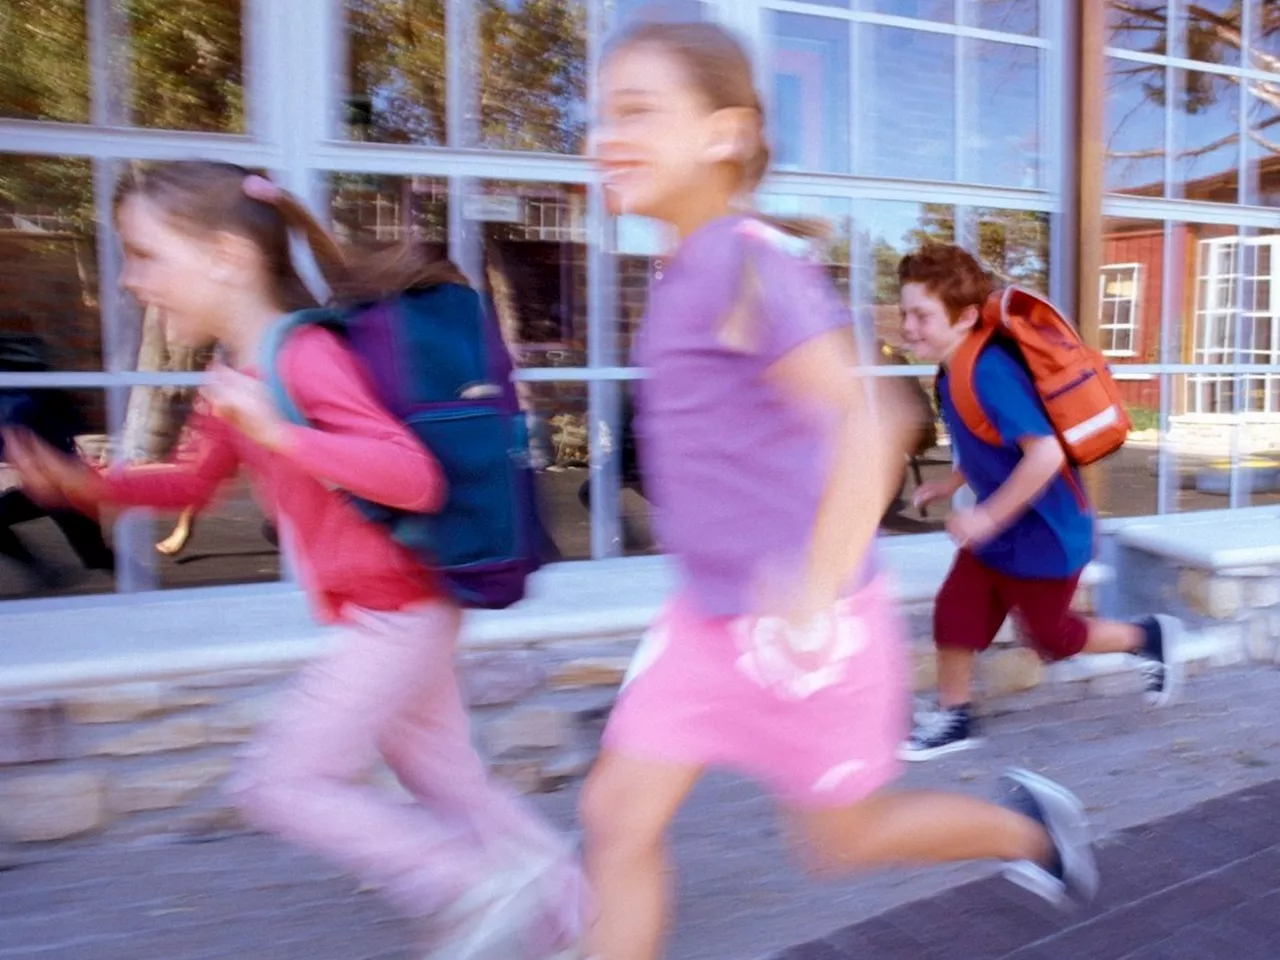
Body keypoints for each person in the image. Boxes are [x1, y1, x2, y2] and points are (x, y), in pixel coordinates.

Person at [580, 21, 1099, 960]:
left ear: (723, 132)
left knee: (840, 843)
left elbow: (876, 424)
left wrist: (810, 597)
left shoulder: (748, 263)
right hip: (709, 622)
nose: (600, 137)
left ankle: (1034, 832)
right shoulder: (686, 265)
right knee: (615, 819)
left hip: (807, 630)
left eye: (636, 111)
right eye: (599, 114)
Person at [2, 161, 580, 960]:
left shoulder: (304, 358)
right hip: (392, 606)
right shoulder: (235, 375)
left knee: (282, 784)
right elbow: (194, 483)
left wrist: (280, 432)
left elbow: (412, 476)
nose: (131, 280)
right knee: (447, 781)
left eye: (145, 253)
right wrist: (83, 483)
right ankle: (578, 923)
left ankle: (467, 883)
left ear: (227, 257)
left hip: (398, 610)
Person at [899, 244, 1182, 761]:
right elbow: (991, 440)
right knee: (956, 615)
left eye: (921, 315)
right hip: (1004, 531)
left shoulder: (987, 370)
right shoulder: (952, 368)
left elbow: (1045, 453)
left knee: (1053, 638)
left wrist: (985, 513)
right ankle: (955, 717)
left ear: (964, 317)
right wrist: (952, 482)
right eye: (904, 313)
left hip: (1047, 532)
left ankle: (1148, 637)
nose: (908, 327)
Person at [0, 330, 115, 589]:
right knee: (96, 556)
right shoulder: (40, 386)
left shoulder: (17, 394)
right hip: (61, 485)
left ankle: (145, 587)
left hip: (62, 485)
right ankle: (46, 574)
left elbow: (19, 431)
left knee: (96, 556)